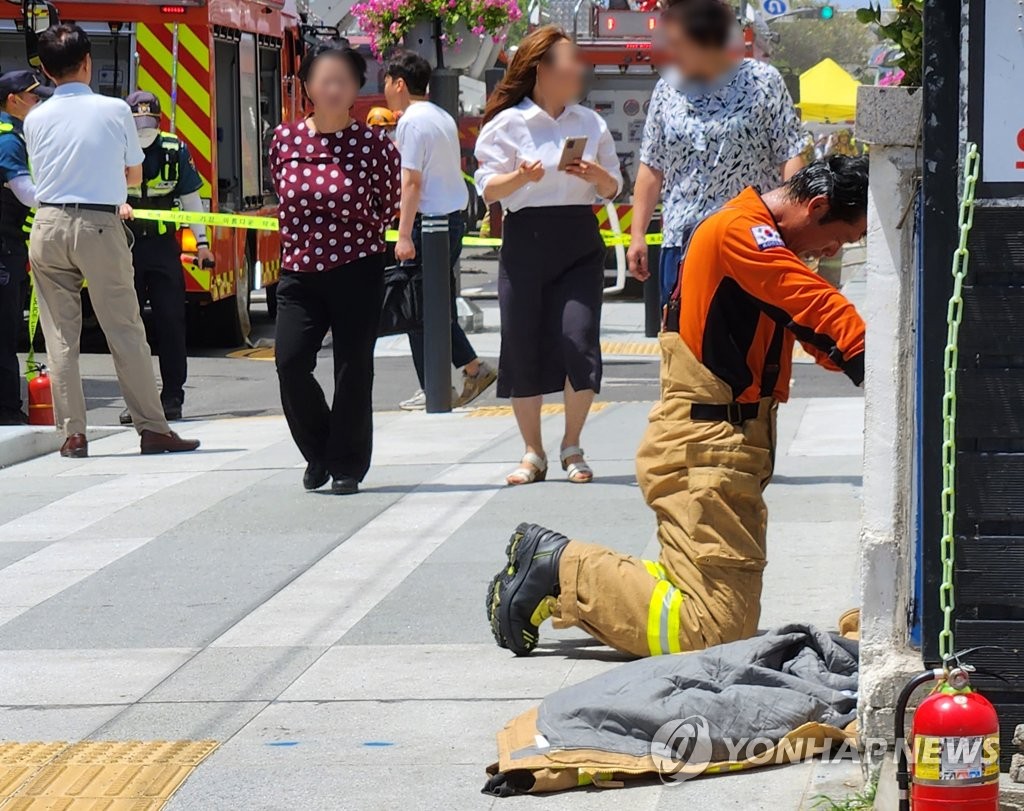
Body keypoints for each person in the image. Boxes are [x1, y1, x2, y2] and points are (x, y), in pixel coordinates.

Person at [486, 157, 869, 657]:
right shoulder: (742, 232)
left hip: (724, 449)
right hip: (707, 450)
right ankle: (560, 567)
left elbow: (812, 328)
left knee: (715, 610)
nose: (833, 251)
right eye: (841, 237)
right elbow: (816, 306)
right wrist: (880, 354)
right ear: (816, 206)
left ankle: (566, 568)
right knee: (713, 631)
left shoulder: (759, 237)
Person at [23, 24, 199, 458]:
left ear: (44, 71)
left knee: (60, 336)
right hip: (99, 225)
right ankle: (152, 428)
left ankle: (73, 435)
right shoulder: (115, 111)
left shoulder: (35, 117)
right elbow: (135, 175)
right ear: (88, 63)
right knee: (124, 328)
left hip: (46, 224)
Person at [474, 26, 622, 485]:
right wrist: (521, 178)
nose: (578, 69)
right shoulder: (507, 124)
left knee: (578, 340)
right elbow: (487, 188)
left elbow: (615, 187)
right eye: (569, 61)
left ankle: (572, 444)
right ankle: (532, 451)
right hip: (526, 239)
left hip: (578, 236)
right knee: (523, 343)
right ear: (542, 70)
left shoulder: (589, 122)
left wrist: (597, 175)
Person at [268, 41, 400, 495]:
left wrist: (353, 234)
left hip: (356, 268)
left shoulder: (374, 146)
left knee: (353, 368)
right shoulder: (284, 140)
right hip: (299, 271)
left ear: (356, 87)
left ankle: (346, 465)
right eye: (324, 79)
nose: (332, 88)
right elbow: (281, 194)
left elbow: (389, 205)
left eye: (342, 79)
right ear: (306, 85)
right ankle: (320, 449)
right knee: (289, 362)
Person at [628, 0, 808, 304]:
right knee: (682, 344)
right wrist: (637, 235)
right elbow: (652, 166)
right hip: (682, 241)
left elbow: (790, 155)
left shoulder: (764, 82)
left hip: (751, 240)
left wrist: (795, 229)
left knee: (751, 344)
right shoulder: (666, 90)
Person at [383, 50, 497, 411]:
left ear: (399, 83)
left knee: (416, 308)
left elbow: (412, 183)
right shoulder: (440, 116)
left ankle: (437, 385)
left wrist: (403, 235)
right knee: (434, 305)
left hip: (426, 224)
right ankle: (468, 370)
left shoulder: (412, 123)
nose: (384, 88)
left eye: (386, 81)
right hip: (450, 221)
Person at [118, 90, 215, 424]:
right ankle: (137, 401)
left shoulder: (174, 149)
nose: (143, 131)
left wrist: (202, 244)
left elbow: (190, 198)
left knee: (171, 321)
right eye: (137, 125)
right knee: (127, 328)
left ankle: (172, 397)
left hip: (162, 247)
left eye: (148, 124)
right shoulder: (114, 147)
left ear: (159, 122)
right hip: (124, 247)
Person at [0, 70, 49, 425]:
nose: (39, 103)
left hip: (9, 243)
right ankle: (6, 409)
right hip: (4, 246)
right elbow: (25, 192)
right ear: (13, 100)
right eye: (34, 97)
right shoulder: (8, 140)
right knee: (4, 330)